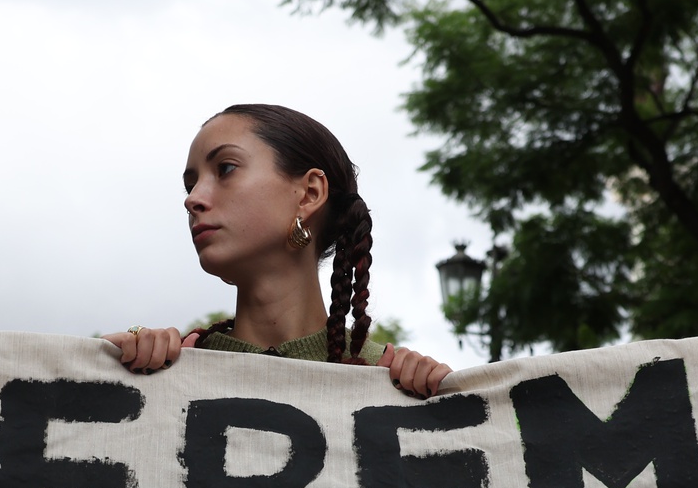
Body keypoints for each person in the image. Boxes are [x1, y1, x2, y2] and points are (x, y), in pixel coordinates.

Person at [103, 104, 452, 397]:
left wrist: (433, 399)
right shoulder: (162, 367)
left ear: (310, 193)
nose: (192, 199)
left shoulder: (394, 381)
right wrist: (104, 365)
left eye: (225, 169)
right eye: (191, 184)